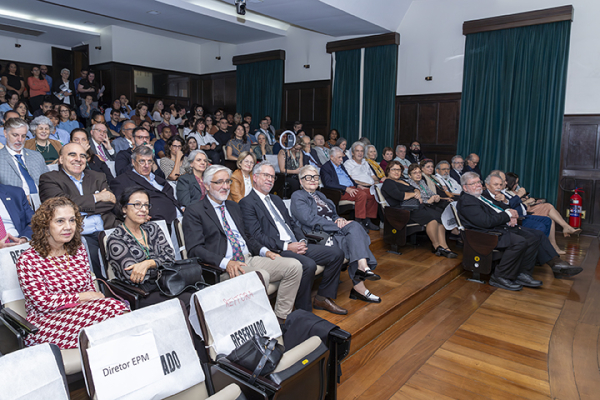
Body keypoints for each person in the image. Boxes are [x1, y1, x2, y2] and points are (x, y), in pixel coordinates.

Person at [183, 165, 303, 323]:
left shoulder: (233, 206)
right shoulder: (195, 211)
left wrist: (263, 251)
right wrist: (226, 263)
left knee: (294, 266)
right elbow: (195, 250)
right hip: (223, 267)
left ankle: (281, 318)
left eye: (228, 181)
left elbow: (247, 236)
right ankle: (256, 323)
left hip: (248, 257)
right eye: (219, 182)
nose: (225, 186)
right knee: (262, 276)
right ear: (206, 185)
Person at [16, 197, 128, 349]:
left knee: (114, 312)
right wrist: (82, 297)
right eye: (60, 221)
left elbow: (89, 288)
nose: (68, 227)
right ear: (45, 225)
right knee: (113, 309)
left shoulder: (78, 250)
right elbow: (43, 303)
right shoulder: (28, 260)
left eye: (72, 220)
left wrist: (89, 299)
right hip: (46, 324)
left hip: (84, 313)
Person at [240, 163, 347, 314]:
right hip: (277, 249)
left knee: (336, 254)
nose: (270, 179)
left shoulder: (276, 200)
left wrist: (302, 241)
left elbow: (292, 223)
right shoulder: (247, 203)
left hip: (296, 243)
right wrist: (286, 246)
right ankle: (303, 312)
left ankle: (322, 298)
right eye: (266, 175)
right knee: (308, 265)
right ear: (255, 177)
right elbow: (257, 236)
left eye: (272, 176)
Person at [292, 165, 381, 303]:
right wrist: (335, 225)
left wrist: (339, 219)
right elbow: (308, 219)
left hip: (333, 229)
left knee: (355, 226)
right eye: (308, 177)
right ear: (300, 181)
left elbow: (333, 214)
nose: (313, 180)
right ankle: (361, 280)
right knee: (353, 242)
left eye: (315, 177)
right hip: (317, 234)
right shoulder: (298, 196)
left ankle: (362, 268)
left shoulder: (320, 195)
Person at [107, 187, 198, 313]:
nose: (143, 209)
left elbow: (170, 256)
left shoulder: (153, 228)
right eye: (137, 205)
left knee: (199, 295)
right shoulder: (116, 239)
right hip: (142, 292)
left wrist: (148, 264)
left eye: (146, 205)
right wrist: (161, 265)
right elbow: (134, 276)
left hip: (168, 283)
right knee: (187, 302)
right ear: (124, 209)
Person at [39, 142, 119, 278]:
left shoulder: (97, 176)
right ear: (61, 159)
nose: (78, 159)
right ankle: (102, 291)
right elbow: (58, 206)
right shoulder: (49, 178)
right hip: (76, 234)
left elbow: (110, 203)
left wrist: (76, 205)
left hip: (107, 228)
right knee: (93, 258)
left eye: (82, 156)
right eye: (72, 155)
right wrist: (97, 197)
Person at [480, 173, 582, 279]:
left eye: (501, 184)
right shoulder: (484, 197)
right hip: (502, 228)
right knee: (537, 231)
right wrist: (511, 208)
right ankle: (548, 266)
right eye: (496, 184)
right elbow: (494, 215)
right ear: (487, 185)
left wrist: (505, 201)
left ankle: (556, 264)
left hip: (512, 222)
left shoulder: (500, 195)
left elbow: (507, 207)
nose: (499, 187)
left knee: (539, 232)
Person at [457, 172, 544, 291]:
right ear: (465, 187)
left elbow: (495, 212)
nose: (478, 185)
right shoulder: (467, 201)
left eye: (478, 182)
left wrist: (509, 214)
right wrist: (507, 215)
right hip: (483, 235)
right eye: (473, 183)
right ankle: (499, 276)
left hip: (495, 229)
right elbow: (486, 222)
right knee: (519, 242)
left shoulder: (479, 196)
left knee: (532, 238)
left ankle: (522, 274)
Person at [382, 161, 456, 258]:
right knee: (431, 219)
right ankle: (436, 246)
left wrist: (416, 191)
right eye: (394, 169)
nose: (397, 172)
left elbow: (414, 188)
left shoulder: (402, 180)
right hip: (402, 211)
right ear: (388, 171)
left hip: (416, 207)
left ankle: (444, 247)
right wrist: (414, 194)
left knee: (439, 217)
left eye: (399, 170)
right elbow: (400, 196)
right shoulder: (388, 182)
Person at [111, 145, 181, 224]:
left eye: (149, 161)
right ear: (133, 162)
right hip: (156, 224)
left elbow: (171, 198)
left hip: (180, 219)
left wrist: (181, 208)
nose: (146, 165)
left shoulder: (159, 179)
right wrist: (138, 217)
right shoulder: (122, 181)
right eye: (142, 161)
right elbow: (118, 207)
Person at [505, 172, 581, 237]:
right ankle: (566, 227)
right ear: (510, 183)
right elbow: (512, 204)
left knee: (550, 217)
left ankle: (556, 243)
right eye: (515, 183)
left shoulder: (515, 190)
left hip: (527, 207)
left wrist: (529, 200)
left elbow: (519, 201)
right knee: (548, 206)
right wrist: (524, 201)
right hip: (525, 211)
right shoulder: (505, 193)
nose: (517, 185)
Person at [321, 147, 379, 231]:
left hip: (352, 187)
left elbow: (348, 178)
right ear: (331, 157)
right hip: (340, 191)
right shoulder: (326, 167)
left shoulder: (341, 165)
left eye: (342, 157)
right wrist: (346, 188)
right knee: (361, 195)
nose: (341, 159)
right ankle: (359, 222)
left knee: (372, 193)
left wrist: (357, 185)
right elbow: (328, 183)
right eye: (339, 157)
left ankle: (367, 220)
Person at [0, 118, 46, 196]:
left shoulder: (36, 156)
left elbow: (48, 181)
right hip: (13, 204)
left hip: (42, 202)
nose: (20, 140)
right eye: (15, 135)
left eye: (23, 136)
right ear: (5, 133)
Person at [344, 142, 381, 231]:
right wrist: (363, 185)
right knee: (369, 194)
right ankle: (360, 221)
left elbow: (373, 177)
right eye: (357, 151)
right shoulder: (348, 163)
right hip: (358, 187)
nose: (360, 153)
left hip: (370, 186)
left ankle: (368, 220)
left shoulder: (366, 163)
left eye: (361, 151)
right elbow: (350, 179)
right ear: (352, 153)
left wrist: (378, 182)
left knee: (376, 192)